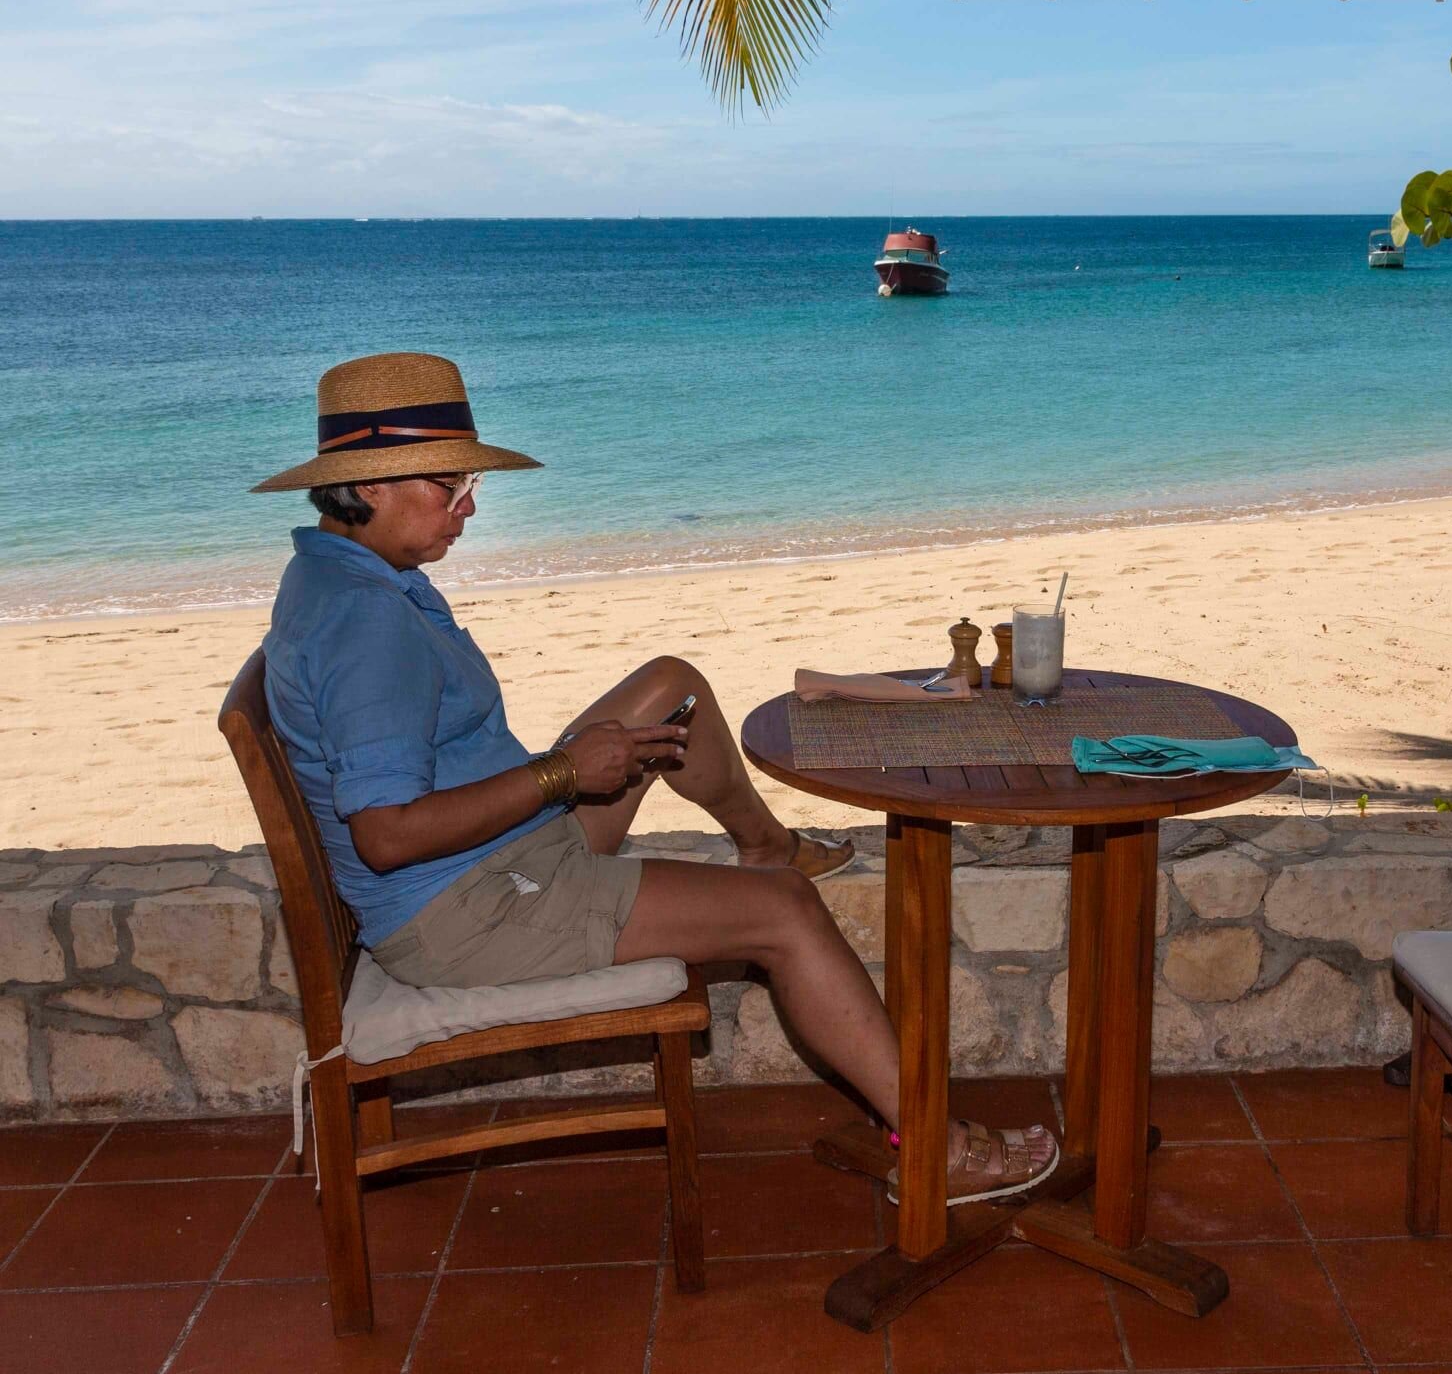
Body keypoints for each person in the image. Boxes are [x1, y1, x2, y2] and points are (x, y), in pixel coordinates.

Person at [256, 353, 1055, 1204]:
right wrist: (563, 772)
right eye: (450, 487)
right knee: (786, 910)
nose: (471, 507)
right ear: (369, 487)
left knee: (671, 688)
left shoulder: (350, 574)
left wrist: (563, 778)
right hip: (472, 908)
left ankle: (763, 843)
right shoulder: (364, 621)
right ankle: (937, 1147)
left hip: (500, 853)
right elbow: (386, 835)